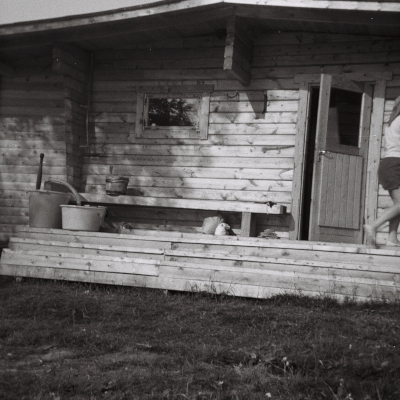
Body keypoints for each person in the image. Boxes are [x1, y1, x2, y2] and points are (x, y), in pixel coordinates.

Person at [364, 95, 400, 247]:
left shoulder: (392, 122)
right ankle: (374, 226)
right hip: (395, 164)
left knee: (398, 203)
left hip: (389, 163)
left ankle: (392, 239)